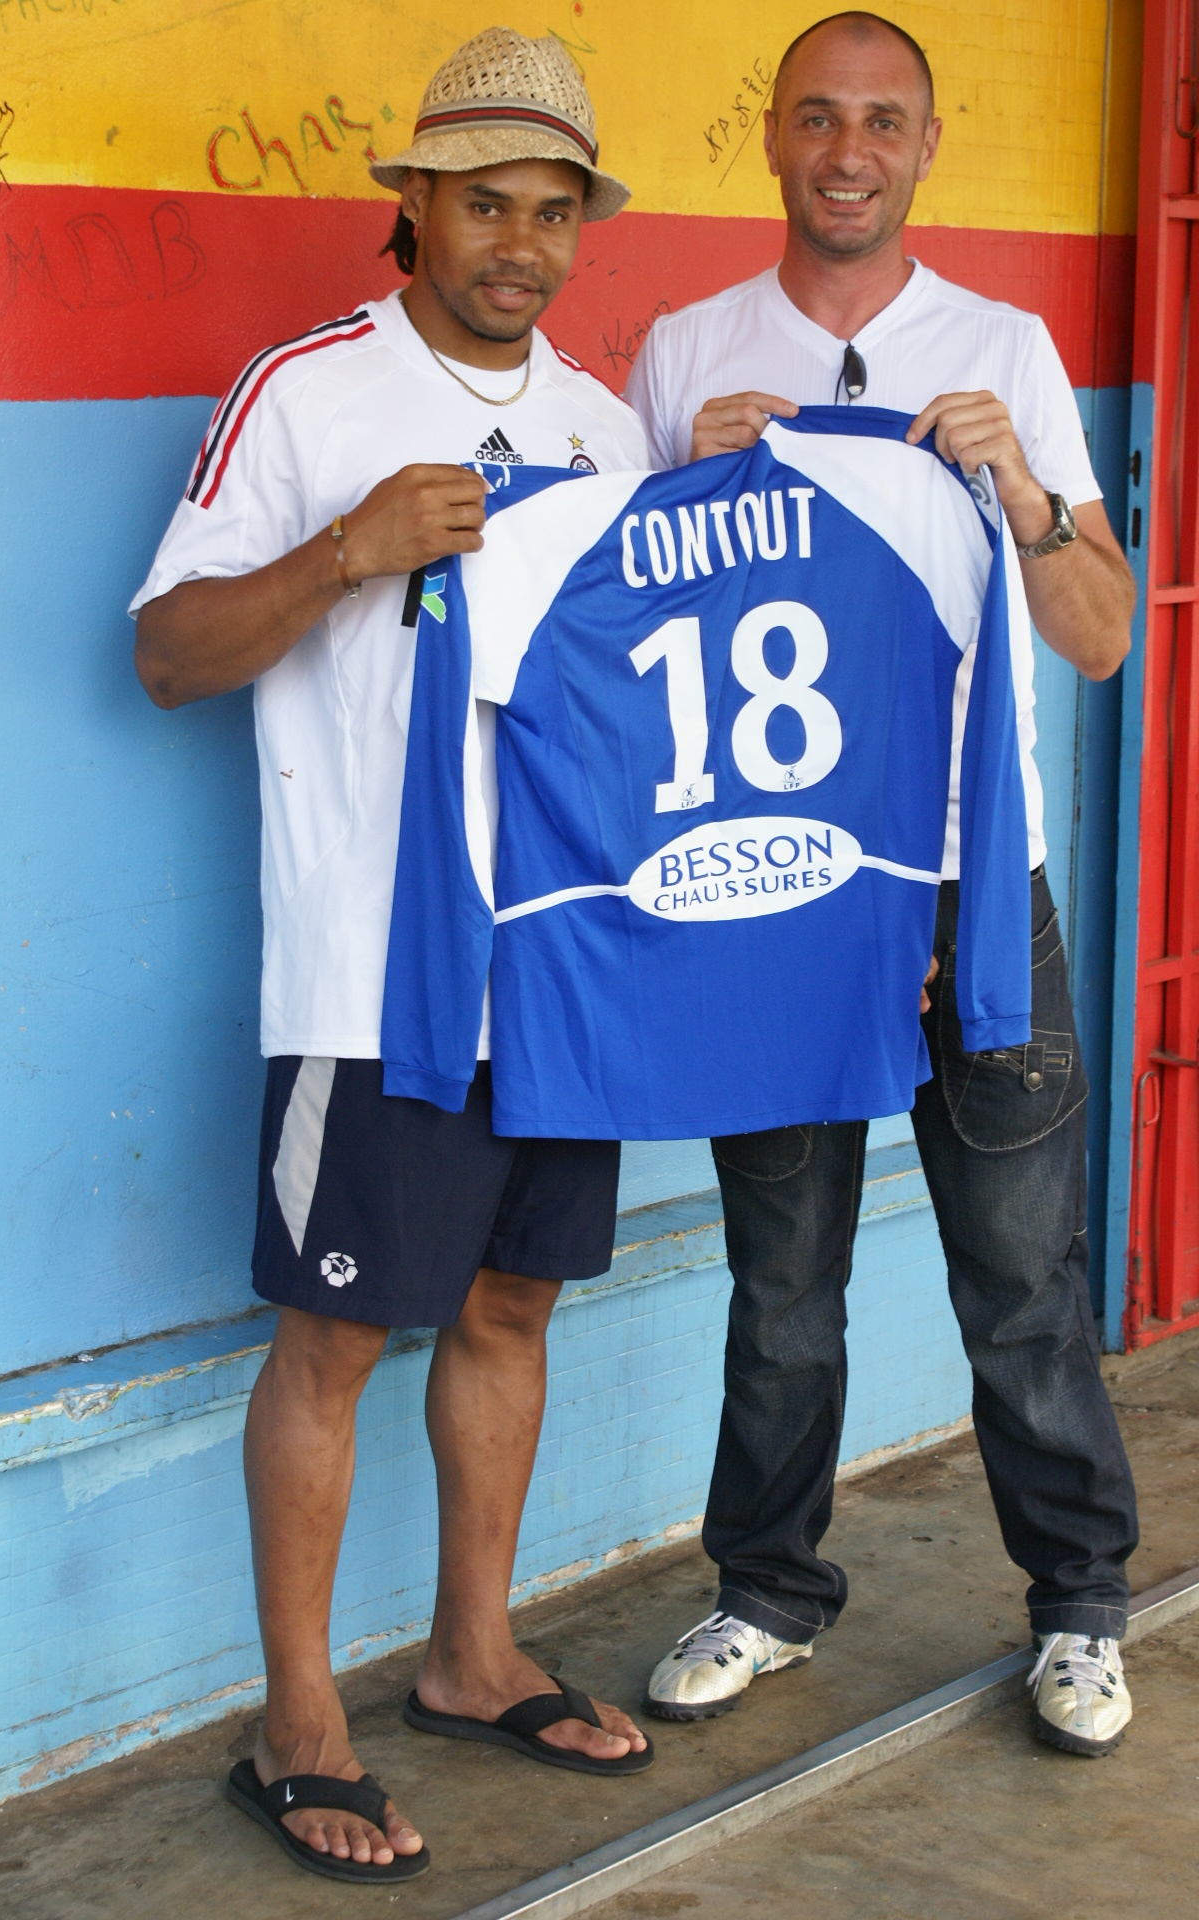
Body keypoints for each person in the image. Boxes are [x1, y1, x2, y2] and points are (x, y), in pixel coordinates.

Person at [131, 28, 652, 1886]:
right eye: (485, 204)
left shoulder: (605, 426)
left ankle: (471, 1656)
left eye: (553, 213)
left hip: (560, 974)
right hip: (370, 971)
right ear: (414, 205)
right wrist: (347, 552)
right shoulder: (307, 393)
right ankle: (299, 1724)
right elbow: (168, 654)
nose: (521, 244)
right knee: (339, 1332)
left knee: (513, 1306)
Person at [626, 10, 1140, 1758]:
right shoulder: (686, 351)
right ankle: (768, 1590)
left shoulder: (1005, 346)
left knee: (1021, 1277)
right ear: (771, 135)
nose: (849, 151)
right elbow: (620, 639)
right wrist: (675, 485)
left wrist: (1024, 491)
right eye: (818, 117)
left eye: (883, 121)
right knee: (781, 1282)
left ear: (927, 145)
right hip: (776, 892)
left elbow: (1102, 633)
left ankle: (1080, 1606)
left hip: (972, 888)